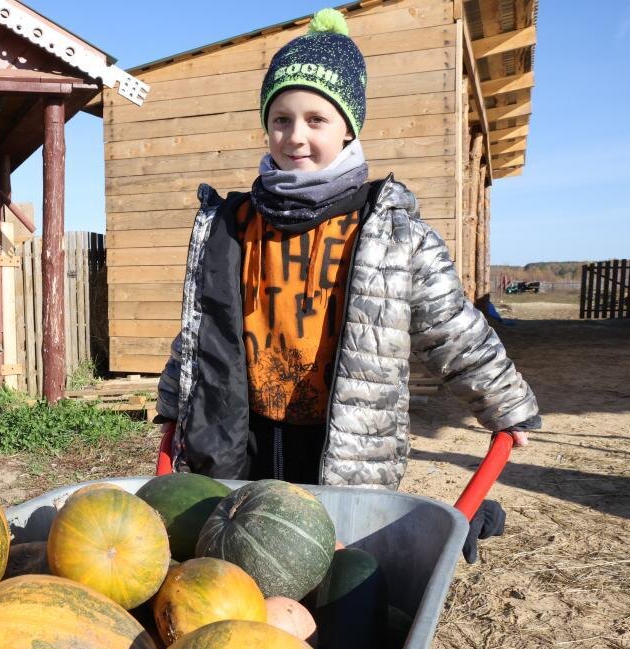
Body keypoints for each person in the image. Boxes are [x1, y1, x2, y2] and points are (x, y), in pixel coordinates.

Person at [156, 8, 540, 490]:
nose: (295, 136)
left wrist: (505, 404)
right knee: (241, 554)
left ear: (349, 127)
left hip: (341, 443)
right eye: (281, 119)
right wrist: (173, 398)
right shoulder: (232, 225)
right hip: (241, 433)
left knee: (330, 555)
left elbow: (451, 327)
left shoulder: (388, 231)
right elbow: (199, 330)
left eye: (316, 119)